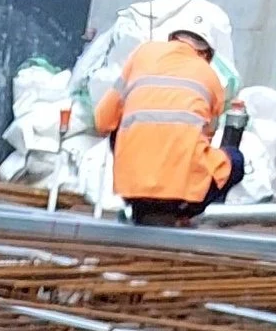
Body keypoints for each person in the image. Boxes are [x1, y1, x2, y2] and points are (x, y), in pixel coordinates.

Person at [93, 25, 239, 226]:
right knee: (235, 160)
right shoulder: (210, 77)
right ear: (205, 53)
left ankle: (139, 205)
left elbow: (102, 121)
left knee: (119, 125)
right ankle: (183, 214)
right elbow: (207, 137)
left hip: (133, 186)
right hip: (180, 191)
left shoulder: (142, 55)